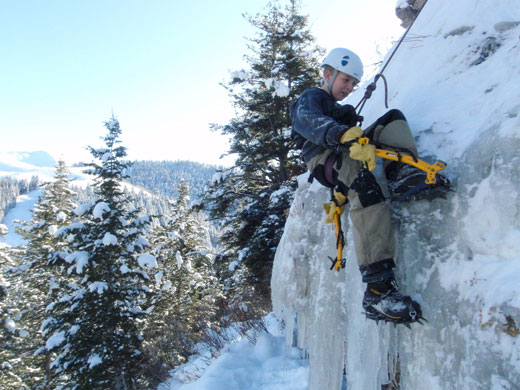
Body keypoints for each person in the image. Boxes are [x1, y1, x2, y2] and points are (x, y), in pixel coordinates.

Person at [289, 47, 446, 325]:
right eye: (345, 80)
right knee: (365, 187)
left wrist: (349, 122)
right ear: (328, 74)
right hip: (325, 159)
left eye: (353, 83)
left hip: (342, 148)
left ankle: (404, 174)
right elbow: (307, 120)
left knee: (392, 120)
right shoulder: (312, 98)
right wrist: (340, 131)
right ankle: (377, 290)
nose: (349, 87)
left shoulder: (337, 109)